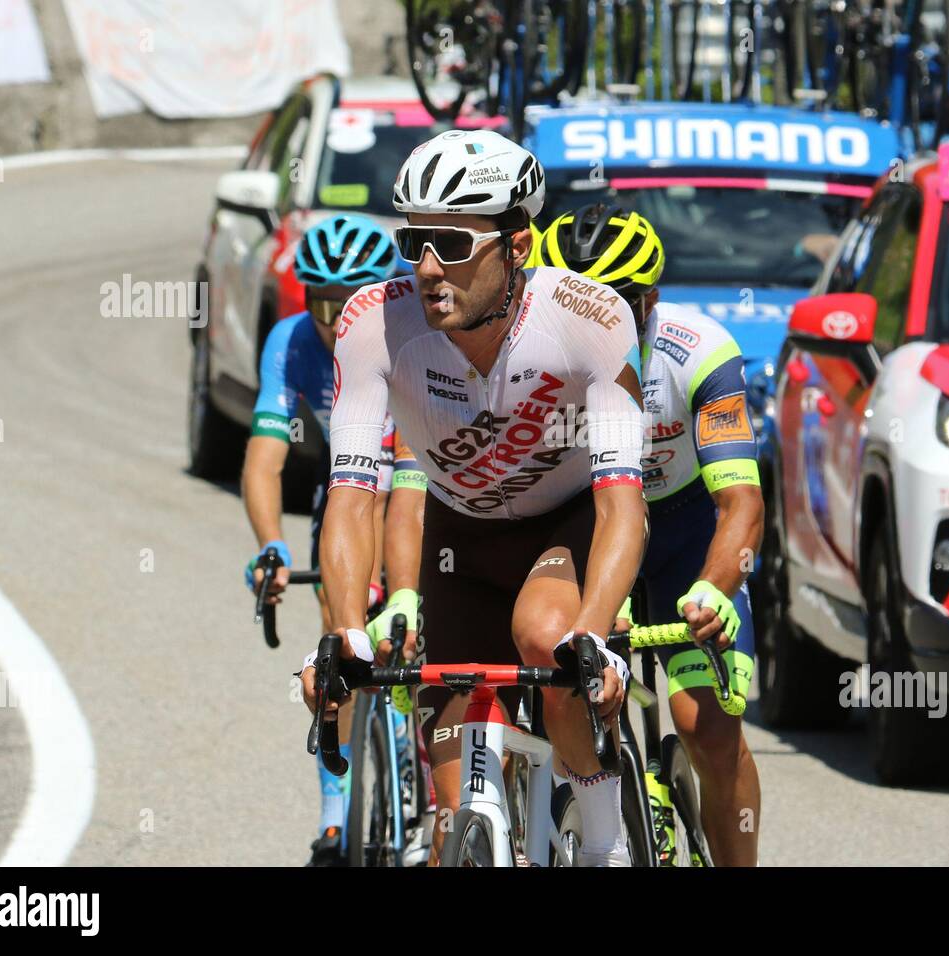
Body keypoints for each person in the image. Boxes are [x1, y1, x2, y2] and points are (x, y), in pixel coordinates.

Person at [298, 128, 648, 866]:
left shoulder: (592, 319)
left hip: (566, 523)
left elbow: (623, 504)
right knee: (456, 810)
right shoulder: (373, 325)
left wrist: (594, 634)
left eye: (452, 244)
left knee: (547, 640)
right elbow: (353, 496)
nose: (428, 268)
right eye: (415, 240)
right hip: (457, 542)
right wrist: (345, 630)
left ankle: (605, 839)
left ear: (518, 243)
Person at [535, 203, 764, 866]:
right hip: (593, 527)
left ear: (651, 301)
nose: (596, 328)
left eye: (616, 307)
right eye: (575, 310)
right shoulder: (530, 365)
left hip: (686, 536)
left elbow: (741, 503)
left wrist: (714, 590)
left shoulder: (700, 351)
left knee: (706, 729)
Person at [242, 212, 405, 865]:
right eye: (321, 302)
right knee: (336, 646)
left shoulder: (409, 335)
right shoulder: (290, 340)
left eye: (351, 302)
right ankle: (336, 816)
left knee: (414, 633)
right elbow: (264, 455)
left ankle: (419, 757)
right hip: (347, 488)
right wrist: (270, 545)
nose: (336, 320)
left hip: (415, 486)